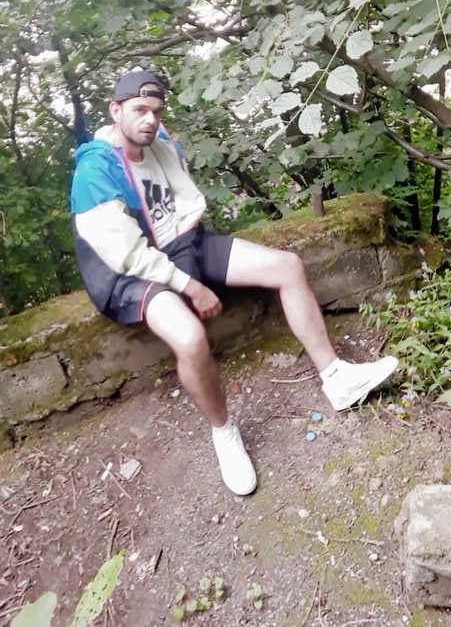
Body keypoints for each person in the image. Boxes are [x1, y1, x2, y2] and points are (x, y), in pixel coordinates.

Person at [70, 70, 398, 497]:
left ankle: (337, 378)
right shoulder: (95, 170)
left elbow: (183, 203)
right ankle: (223, 431)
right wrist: (191, 286)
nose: (150, 120)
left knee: (287, 266)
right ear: (115, 111)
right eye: (139, 110)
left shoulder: (159, 142)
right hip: (130, 272)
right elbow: (127, 254)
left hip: (180, 245)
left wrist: (190, 251)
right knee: (190, 338)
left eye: (156, 111)